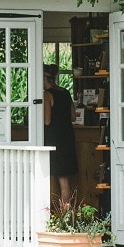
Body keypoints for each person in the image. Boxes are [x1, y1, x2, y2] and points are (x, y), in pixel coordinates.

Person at [43, 64, 78, 205]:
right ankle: (65, 216)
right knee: (64, 180)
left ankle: (63, 218)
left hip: (54, 140)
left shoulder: (47, 95)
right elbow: (73, 117)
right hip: (67, 137)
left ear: (45, 78)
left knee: (59, 180)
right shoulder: (65, 92)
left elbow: (46, 121)